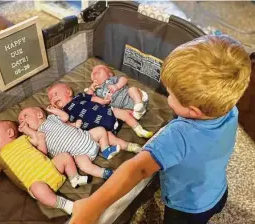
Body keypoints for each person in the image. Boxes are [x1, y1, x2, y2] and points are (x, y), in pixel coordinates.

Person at [69, 35, 252, 224]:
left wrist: (92, 206)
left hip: (187, 208)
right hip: (217, 189)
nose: (168, 96)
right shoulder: (229, 110)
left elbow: (137, 169)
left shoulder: (178, 135)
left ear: (193, 110)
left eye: (170, 94)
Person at [0, 120, 89, 215]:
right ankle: (64, 204)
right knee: (37, 189)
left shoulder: (23, 140)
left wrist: (27, 129)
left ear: (10, 132)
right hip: (37, 182)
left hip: (51, 168)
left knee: (65, 156)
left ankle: (74, 177)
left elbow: (37, 140)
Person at [18, 106, 140, 179]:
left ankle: (106, 149)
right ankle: (104, 173)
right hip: (78, 154)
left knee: (101, 130)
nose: (22, 120)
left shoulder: (51, 118)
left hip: (87, 137)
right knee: (84, 166)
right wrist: (27, 130)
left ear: (39, 114)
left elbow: (65, 117)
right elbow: (41, 151)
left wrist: (55, 110)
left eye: (24, 116)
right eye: (20, 121)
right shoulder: (35, 136)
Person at [48, 83, 153, 138]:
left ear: (68, 92)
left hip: (106, 113)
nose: (53, 98)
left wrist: (103, 101)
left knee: (123, 113)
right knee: (107, 138)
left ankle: (138, 129)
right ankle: (127, 147)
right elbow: (67, 123)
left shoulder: (79, 97)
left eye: (55, 94)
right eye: (50, 98)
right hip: (97, 128)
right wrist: (54, 111)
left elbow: (92, 98)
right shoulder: (63, 114)